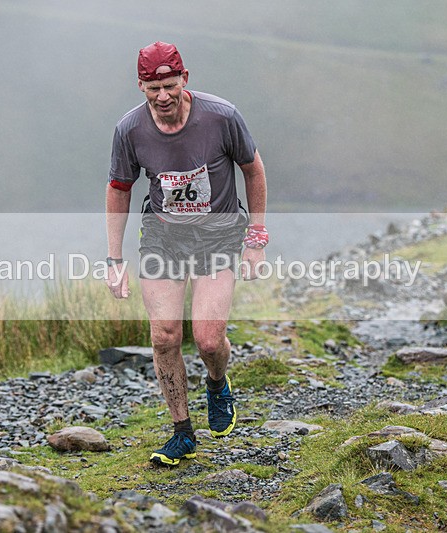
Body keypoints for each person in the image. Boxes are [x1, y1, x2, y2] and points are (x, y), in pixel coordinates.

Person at [105, 41, 268, 466]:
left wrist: (257, 238)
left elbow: (253, 168)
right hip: (163, 237)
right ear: (140, 85)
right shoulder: (129, 129)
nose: (163, 96)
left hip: (218, 236)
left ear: (185, 80)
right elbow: (119, 190)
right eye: (153, 87)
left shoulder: (221, 116)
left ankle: (217, 382)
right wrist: (114, 259)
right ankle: (182, 432)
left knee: (209, 340)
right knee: (164, 336)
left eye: (170, 85)